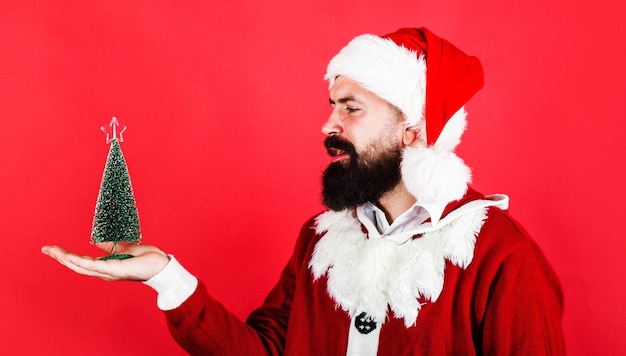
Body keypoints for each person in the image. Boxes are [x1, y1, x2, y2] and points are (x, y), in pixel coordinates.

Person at [42, 27, 565, 355]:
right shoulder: (320, 242)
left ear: (414, 129)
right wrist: (165, 275)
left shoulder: (500, 258)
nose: (328, 125)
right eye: (332, 104)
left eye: (351, 108)